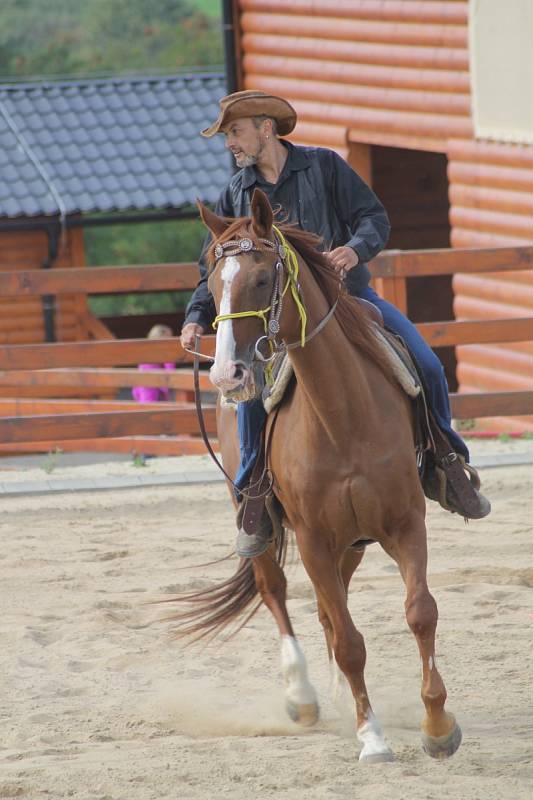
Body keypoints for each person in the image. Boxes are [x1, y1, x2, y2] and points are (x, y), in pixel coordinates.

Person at [180, 90, 490, 557]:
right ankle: (255, 494)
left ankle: (446, 464)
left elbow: (374, 219)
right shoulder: (236, 192)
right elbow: (223, 272)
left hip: (349, 299)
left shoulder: (325, 167)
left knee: (426, 362)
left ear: (266, 129)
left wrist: (354, 249)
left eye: (235, 132)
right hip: (279, 318)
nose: (230, 144)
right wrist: (195, 316)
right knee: (248, 395)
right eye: (226, 135)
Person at [132, 324, 175, 403]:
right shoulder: (159, 356)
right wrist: (170, 359)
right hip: (152, 394)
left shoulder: (146, 354)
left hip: (144, 394)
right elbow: (170, 373)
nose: (170, 343)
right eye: (168, 339)